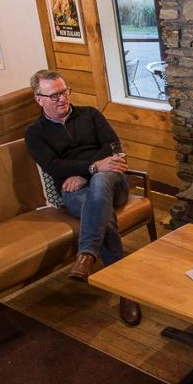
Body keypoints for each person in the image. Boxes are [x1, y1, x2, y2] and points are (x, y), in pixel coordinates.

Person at [25, 69, 142, 327]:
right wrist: (92, 166)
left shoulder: (91, 114)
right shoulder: (35, 132)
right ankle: (126, 291)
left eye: (64, 91)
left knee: (100, 181)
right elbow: (53, 166)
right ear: (39, 99)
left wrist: (89, 171)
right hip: (74, 193)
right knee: (102, 214)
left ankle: (87, 254)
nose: (62, 98)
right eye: (54, 95)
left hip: (113, 181)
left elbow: (112, 147)